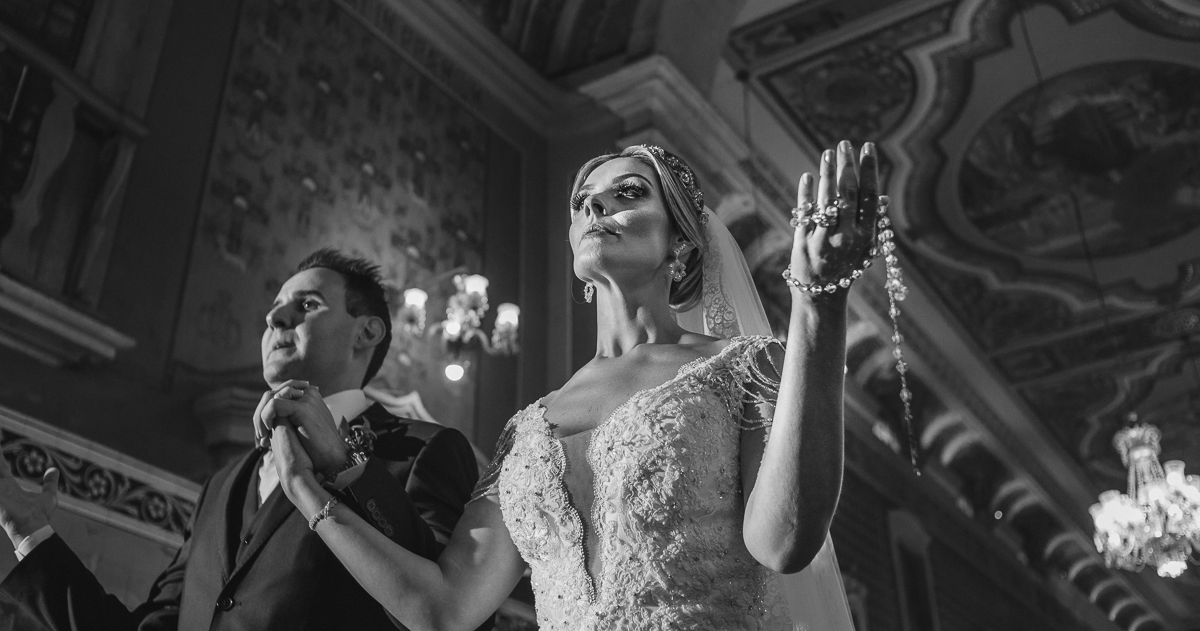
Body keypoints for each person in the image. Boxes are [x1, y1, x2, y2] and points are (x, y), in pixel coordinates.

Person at [263, 143, 873, 630]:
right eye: (583, 202)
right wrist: (307, 491)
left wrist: (819, 304)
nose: (595, 207)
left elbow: (783, 542)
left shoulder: (739, 367)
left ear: (682, 245)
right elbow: (445, 609)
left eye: (627, 193)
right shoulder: (529, 428)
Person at [0, 248, 480, 631]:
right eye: (273, 310)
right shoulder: (222, 486)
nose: (275, 319)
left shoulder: (424, 452)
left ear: (367, 331)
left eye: (307, 305)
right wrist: (29, 533)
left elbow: (454, 614)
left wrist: (346, 467)